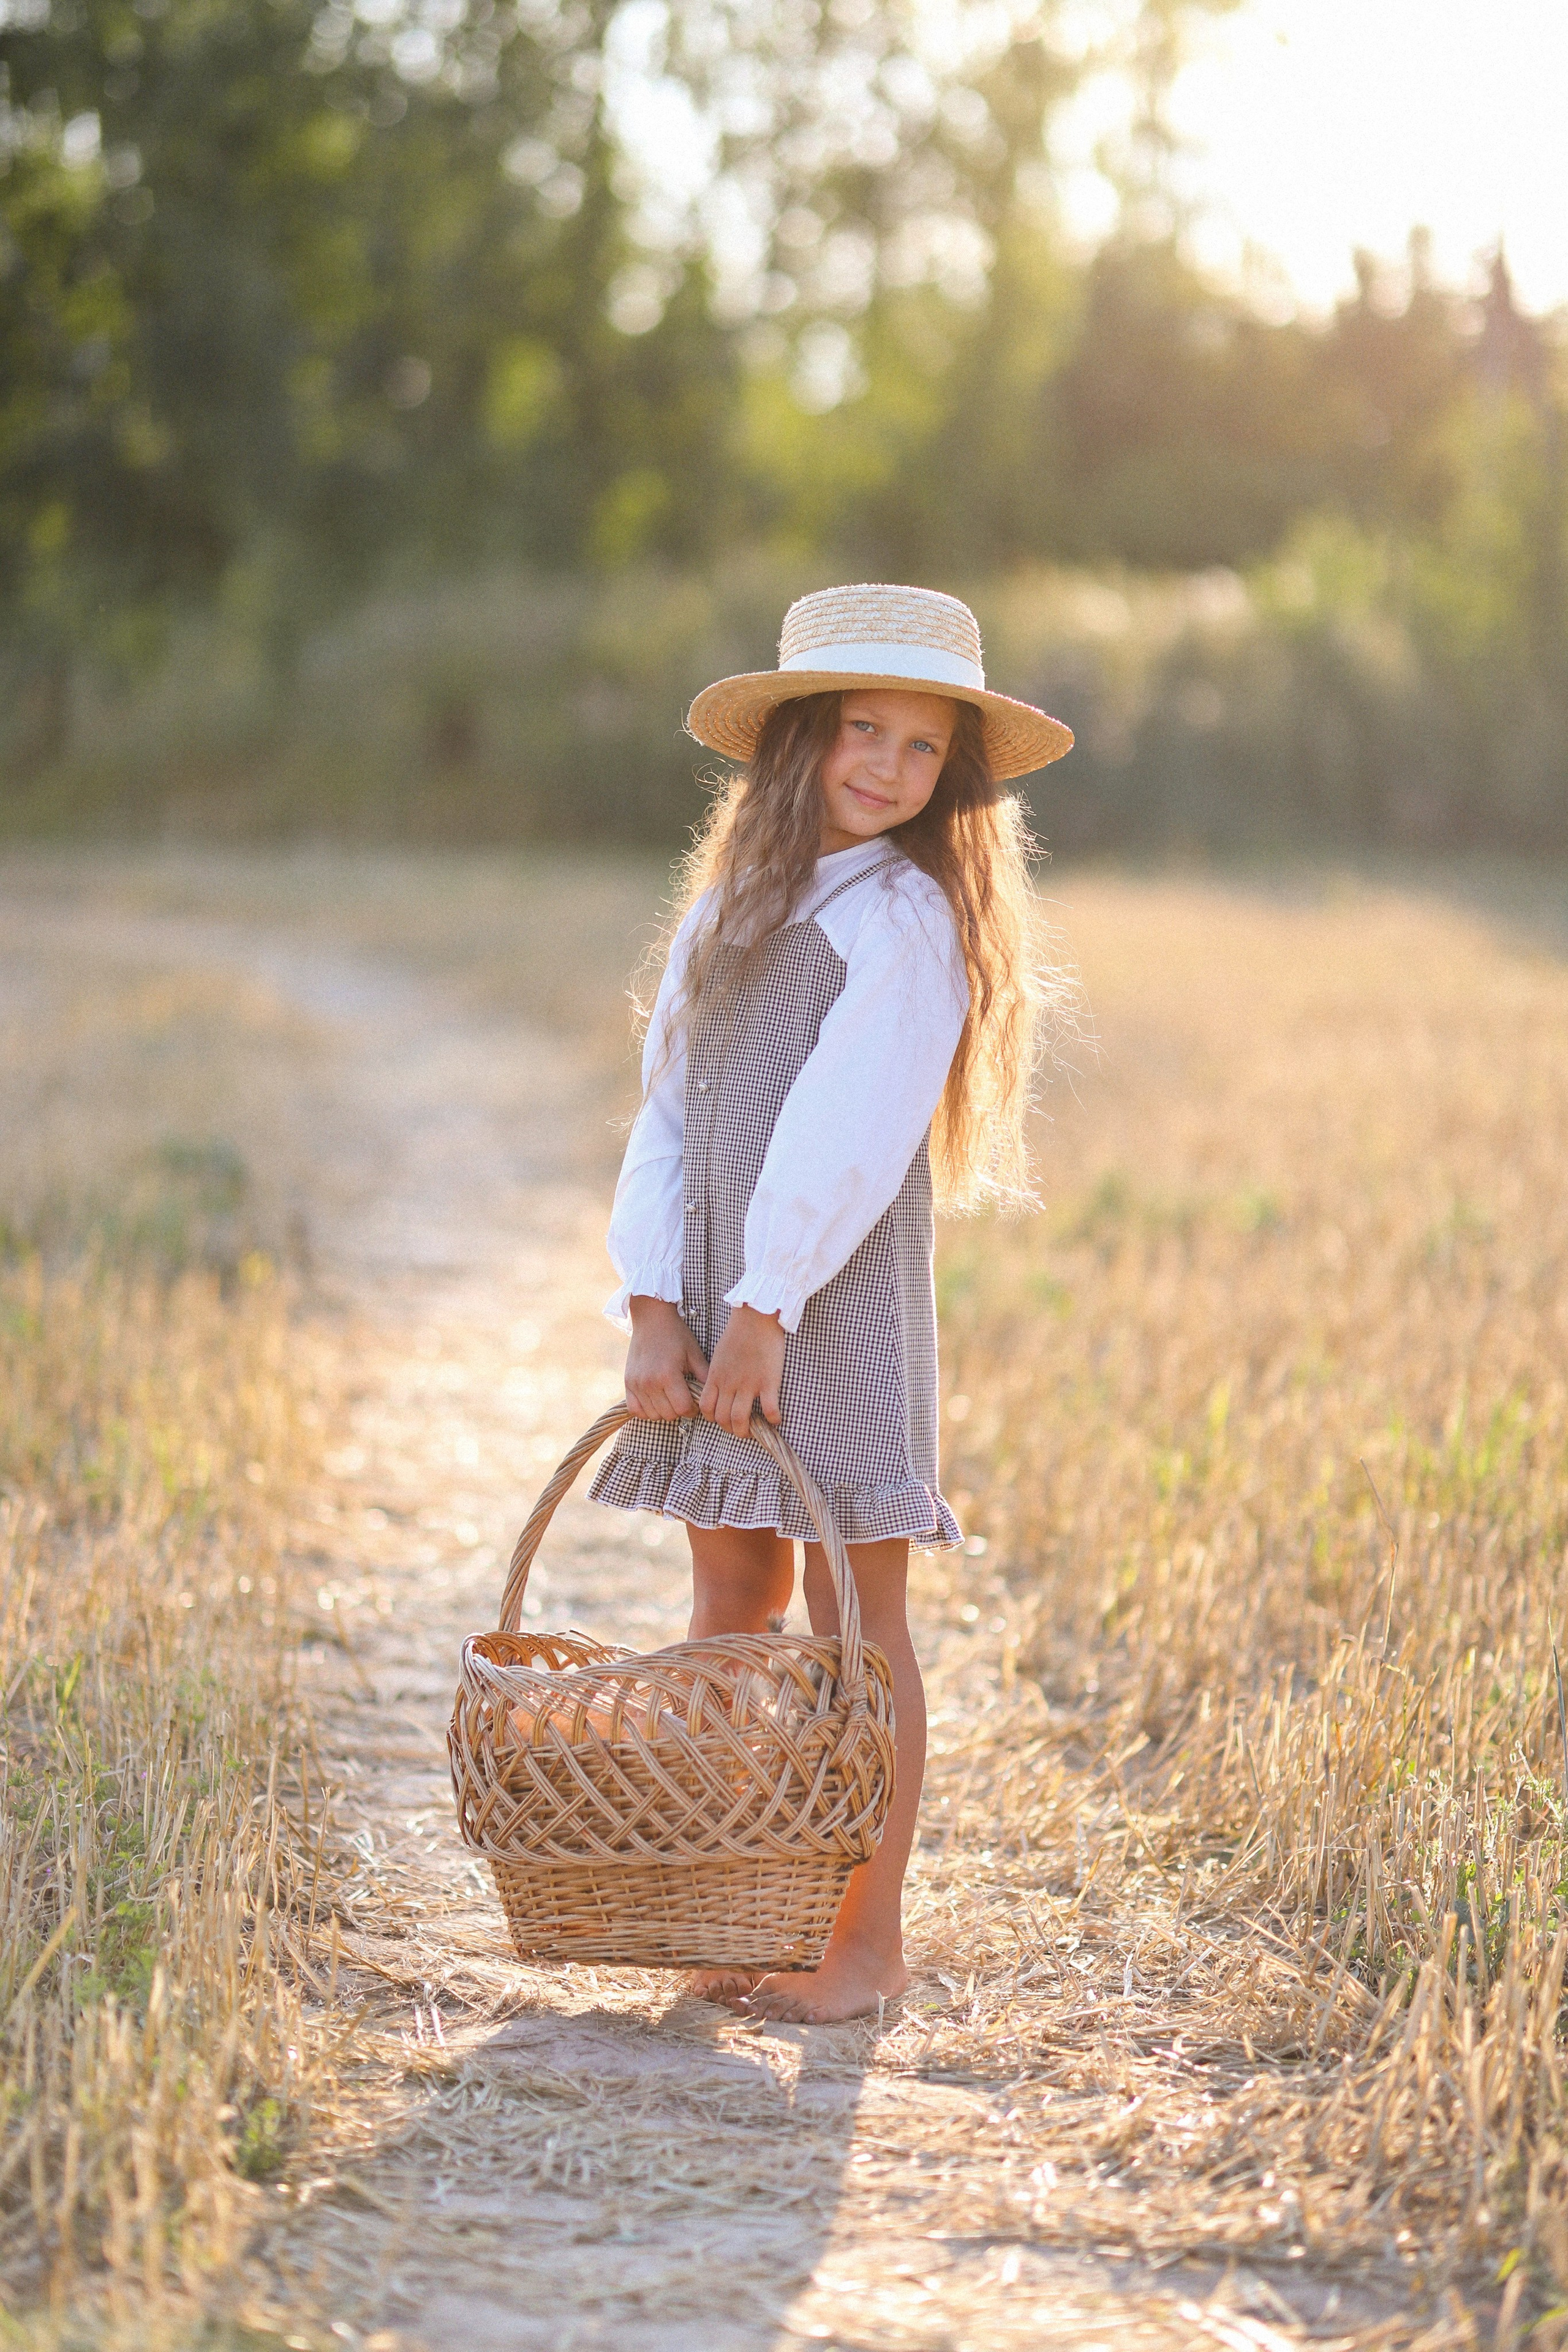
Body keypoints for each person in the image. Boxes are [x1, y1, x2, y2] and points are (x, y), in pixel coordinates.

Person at [590, 582, 1073, 2021]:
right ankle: (730, 1900)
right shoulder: (728, 912)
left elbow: (849, 1132)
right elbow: (666, 1118)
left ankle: (862, 1943)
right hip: (711, 1305)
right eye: (861, 729)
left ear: (948, 782)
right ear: (797, 739)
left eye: (921, 748)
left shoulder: (906, 914)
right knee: (729, 1590)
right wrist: (649, 1303)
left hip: (826, 1303)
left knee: (850, 1620)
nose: (886, 766)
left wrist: (766, 1302)